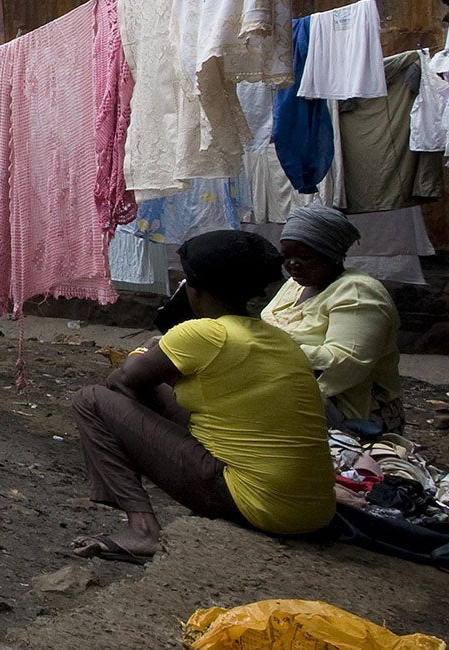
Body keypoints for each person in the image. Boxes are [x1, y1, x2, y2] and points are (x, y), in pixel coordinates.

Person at [70, 230, 333, 561]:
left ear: (193, 286)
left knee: (91, 399)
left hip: (259, 504)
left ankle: (142, 529)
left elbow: (125, 379)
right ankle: (136, 511)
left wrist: (146, 349)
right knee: (142, 387)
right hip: (313, 510)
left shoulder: (205, 333)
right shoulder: (278, 338)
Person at [261, 205, 404, 432]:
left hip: (352, 411)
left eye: (305, 256)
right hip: (290, 389)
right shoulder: (295, 285)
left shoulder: (357, 293)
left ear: (331, 253)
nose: (292, 265)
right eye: (286, 256)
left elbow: (345, 362)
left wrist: (267, 346)